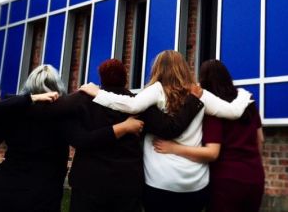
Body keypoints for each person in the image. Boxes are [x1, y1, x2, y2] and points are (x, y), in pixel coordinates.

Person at [80, 50, 253, 212]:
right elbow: (233, 112)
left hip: (159, 182)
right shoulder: (200, 94)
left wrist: (97, 93)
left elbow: (131, 105)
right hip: (195, 185)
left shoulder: (156, 90)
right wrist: (244, 94)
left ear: (157, 69)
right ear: (184, 68)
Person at [0, 64, 144, 212]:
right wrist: (123, 127)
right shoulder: (61, 115)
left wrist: (28, 99)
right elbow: (84, 140)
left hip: (4, 187)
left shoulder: (12, 110)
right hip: (42, 191)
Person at [68, 58, 205, 212]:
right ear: (125, 78)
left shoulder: (82, 103)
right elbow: (169, 128)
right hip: (126, 184)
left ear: (100, 78)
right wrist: (123, 127)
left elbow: (80, 140)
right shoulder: (141, 106)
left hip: (88, 183)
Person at [153, 59, 265, 212]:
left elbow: (212, 153)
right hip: (255, 176)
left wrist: (174, 148)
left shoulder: (213, 111)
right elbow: (260, 140)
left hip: (226, 181)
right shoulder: (248, 103)